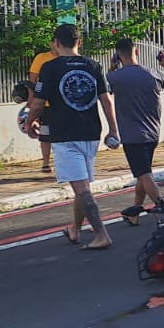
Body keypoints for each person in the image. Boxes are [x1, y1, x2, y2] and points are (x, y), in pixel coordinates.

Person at [25, 23, 121, 250]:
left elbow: (37, 104)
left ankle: (101, 234)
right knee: (82, 184)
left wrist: (30, 123)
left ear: (56, 43)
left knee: (82, 189)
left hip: (64, 135)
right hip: (91, 133)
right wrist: (114, 130)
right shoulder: (93, 65)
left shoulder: (49, 68)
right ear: (79, 42)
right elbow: (106, 101)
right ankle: (75, 229)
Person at [108, 38, 164, 224]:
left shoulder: (115, 77)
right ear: (137, 52)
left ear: (118, 56)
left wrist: (112, 68)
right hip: (152, 134)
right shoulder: (153, 73)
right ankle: (134, 214)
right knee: (143, 173)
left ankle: (163, 209)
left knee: (144, 174)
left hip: (132, 136)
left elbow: (105, 88)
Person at [30, 45, 59, 172]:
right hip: (45, 106)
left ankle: (61, 163)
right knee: (45, 134)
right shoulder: (42, 58)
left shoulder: (68, 58)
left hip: (62, 106)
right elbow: (32, 79)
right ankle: (46, 163)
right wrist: (32, 99)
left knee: (62, 136)